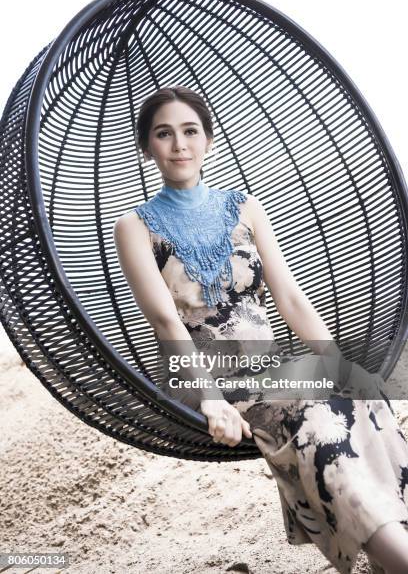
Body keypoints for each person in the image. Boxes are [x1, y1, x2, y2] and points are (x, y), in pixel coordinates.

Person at [113, 86, 408, 574]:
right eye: (164, 134)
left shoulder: (244, 206)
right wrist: (209, 399)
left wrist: (337, 362)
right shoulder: (135, 226)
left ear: (207, 139)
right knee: (317, 413)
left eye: (190, 131)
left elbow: (290, 297)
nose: (180, 144)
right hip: (205, 375)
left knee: (358, 397)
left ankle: (390, 543)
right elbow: (165, 320)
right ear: (148, 147)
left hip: (272, 371)